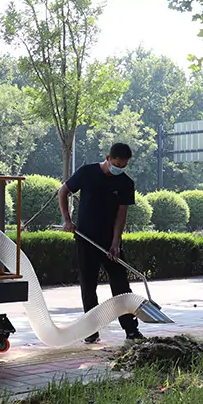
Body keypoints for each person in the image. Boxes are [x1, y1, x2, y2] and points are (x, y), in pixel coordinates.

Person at [57, 142, 145, 344]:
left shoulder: (126, 183)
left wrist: (115, 243)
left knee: (121, 285)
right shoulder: (87, 172)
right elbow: (63, 191)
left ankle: (131, 331)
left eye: (123, 166)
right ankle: (91, 330)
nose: (119, 169)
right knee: (88, 286)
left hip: (109, 242)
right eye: (117, 164)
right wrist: (67, 220)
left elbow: (121, 216)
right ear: (108, 158)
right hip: (86, 239)